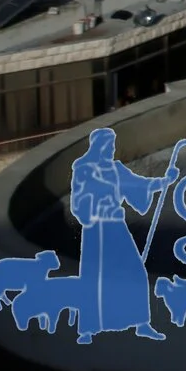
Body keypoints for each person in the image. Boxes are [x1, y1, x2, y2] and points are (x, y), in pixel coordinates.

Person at [65, 129, 167, 341]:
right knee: (95, 277)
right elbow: (78, 200)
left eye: (113, 146)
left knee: (135, 271)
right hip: (96, 228)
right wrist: (93, 202)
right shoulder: (84, 169)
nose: (112, 150)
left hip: (116, 225)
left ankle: (141, 323)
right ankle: (88, 329)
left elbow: (137, 184)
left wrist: (163, 182)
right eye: (109, 146)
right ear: (99, 147)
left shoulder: (115, 169)